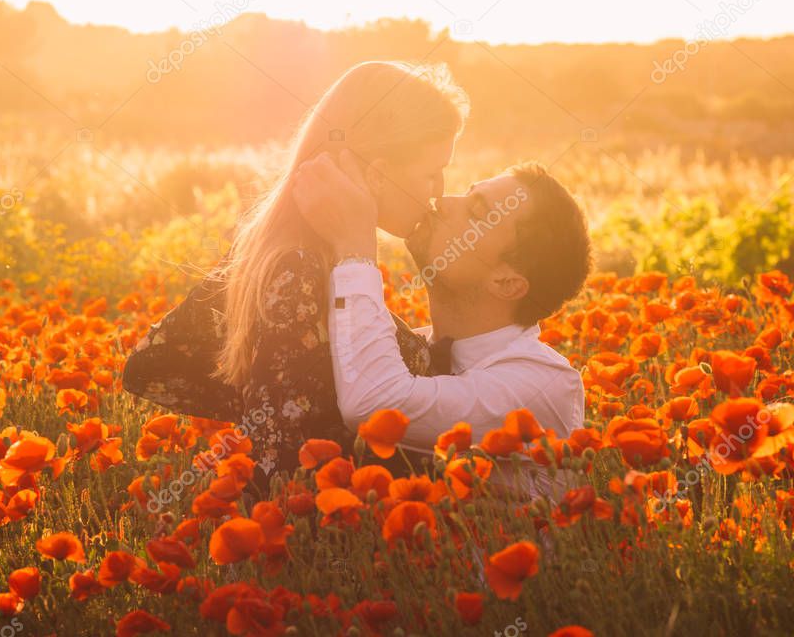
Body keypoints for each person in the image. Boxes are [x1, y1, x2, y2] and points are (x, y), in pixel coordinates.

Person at [123, 60, 470, 494]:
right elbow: (283, 451)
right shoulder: (299, 266)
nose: (439, 191)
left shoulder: (311, 251)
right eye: (431, 173)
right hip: (329, 539)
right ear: (379, 175)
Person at [292, 152, 593, 499]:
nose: (443, 201)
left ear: (507, 283)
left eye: (476, 211)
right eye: (465, 193)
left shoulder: (542, 384)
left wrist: (354, 247)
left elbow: (373, 405)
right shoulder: (407, 347)